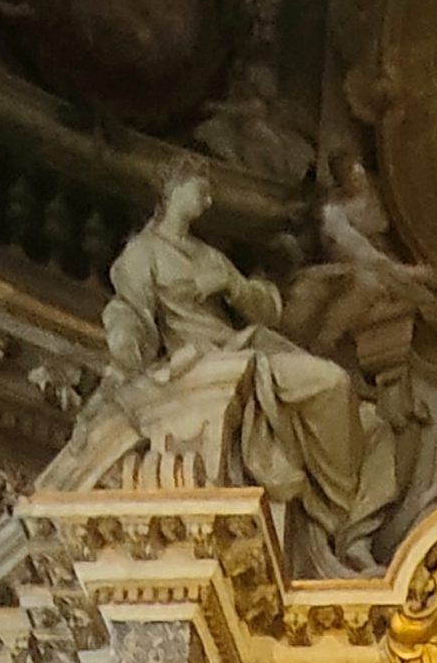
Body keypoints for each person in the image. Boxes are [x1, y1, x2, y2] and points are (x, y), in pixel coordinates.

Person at [46, 161, 395, 562]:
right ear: (174, 189)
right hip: (202, 364)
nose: (208, 198)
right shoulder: (143, 254)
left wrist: (233, 285)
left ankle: (344, 516)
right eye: (201, 188)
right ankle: (338, 509)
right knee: (331, 382)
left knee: (360, 413)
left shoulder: (208, 256)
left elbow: (268, 309)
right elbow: (134, 317)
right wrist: (122, 357)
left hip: (242, 348)